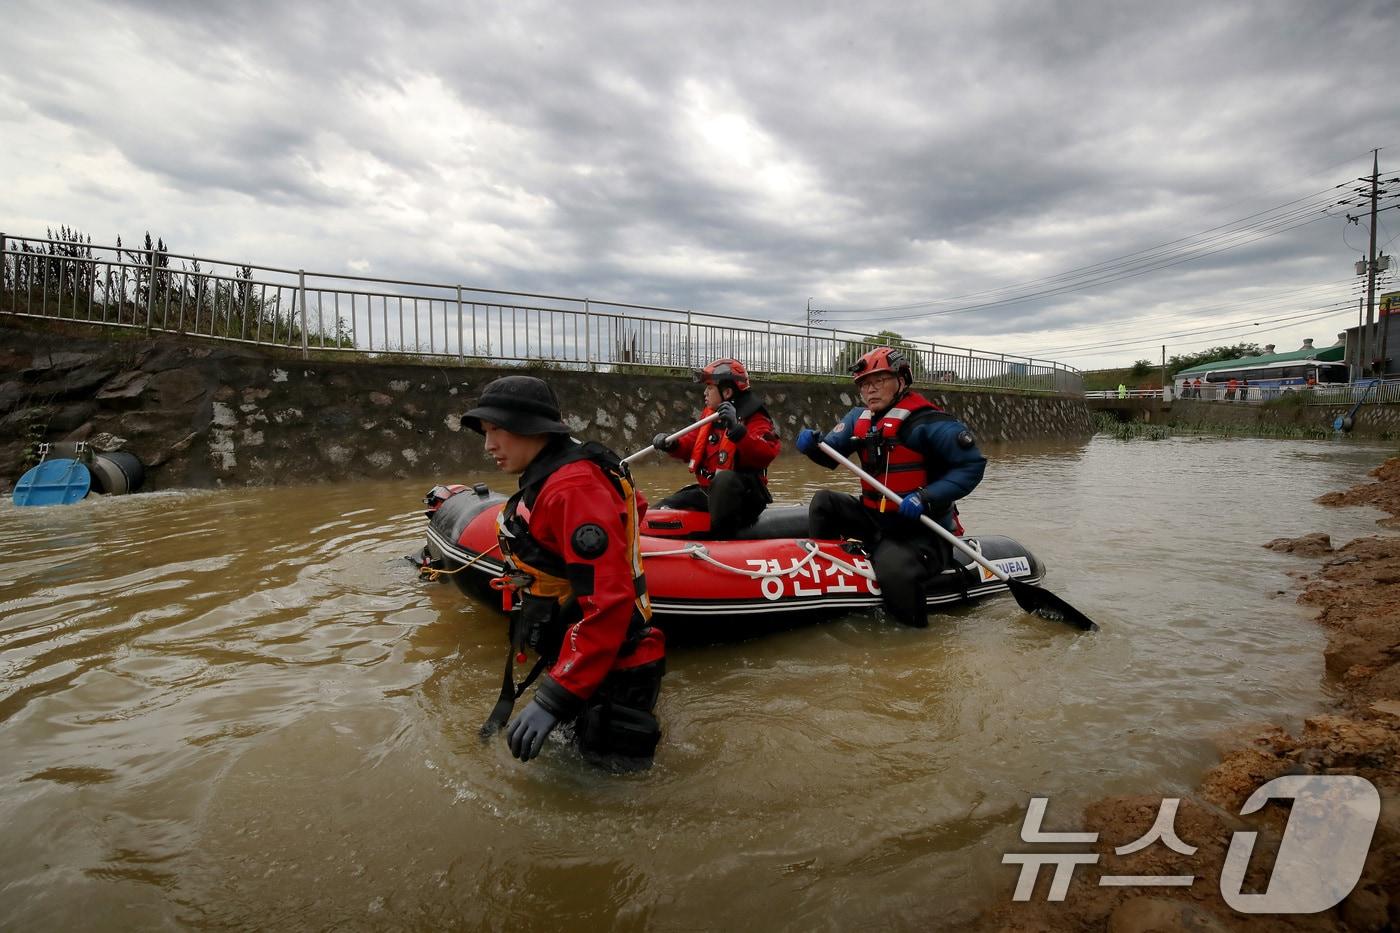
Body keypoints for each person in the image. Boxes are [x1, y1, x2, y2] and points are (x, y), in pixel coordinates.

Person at [462, 375, 666, 767]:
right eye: (485, 432)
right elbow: (633, 508)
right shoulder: (560, 468)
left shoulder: (572, 488)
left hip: (614, 671)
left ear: (530, 429)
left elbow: (610, 604)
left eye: (497, 431)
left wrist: (553, 698)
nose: (488, 445)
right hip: (586, 660)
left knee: (603, 796)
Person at [793, 347, 986, 628]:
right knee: (824, 502)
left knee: (894, 567)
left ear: (901, 380)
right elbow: (829, 455)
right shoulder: (858, 419)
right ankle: (828, 581)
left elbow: (972, 465)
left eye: (878, 381)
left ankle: (914, 640)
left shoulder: (928, 423)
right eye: (863, 385)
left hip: (921, 530)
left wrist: (925, 497)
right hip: (876, 519)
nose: (869, 390)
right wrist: (812, 446)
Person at [650, 358, 781, 537]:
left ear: (727, 392)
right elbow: (692, 444)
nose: (705, 393)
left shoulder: (755, 417)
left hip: (743, 499)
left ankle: (721, 541)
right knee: (661, 508)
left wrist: (738, 431)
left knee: (724, 480)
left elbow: (766, 453)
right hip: (709, 492)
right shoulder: (710, 414)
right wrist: (672, 444)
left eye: (710, 388)